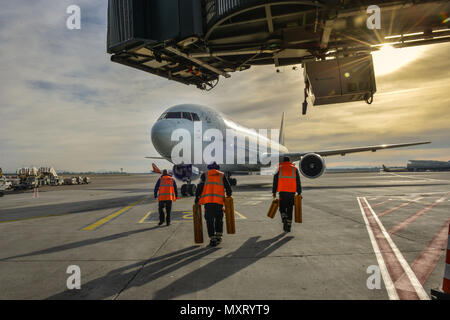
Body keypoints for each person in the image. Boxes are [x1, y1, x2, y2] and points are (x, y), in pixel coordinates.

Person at [195, 162, 232, 247]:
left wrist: (197, 198)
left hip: (208, 202)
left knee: (209, 221)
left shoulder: (205, 175)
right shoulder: (222, 175)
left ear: (209, 167)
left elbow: (199, 186)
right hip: (219, 202)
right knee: (219, 219)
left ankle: (212, 238)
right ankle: (219, 236)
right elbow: (228, 187)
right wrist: (229, 195)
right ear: (217, 168)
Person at [272, 156, 302, 232]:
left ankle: (284, 217)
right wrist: (299, 192)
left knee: (282, 207)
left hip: (282, 192)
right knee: (290, 208)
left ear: (283, 161)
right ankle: (288, 225)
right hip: (291, 192)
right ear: (289, 161)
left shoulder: (279, 168)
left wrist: (274, 192)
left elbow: (275, 182)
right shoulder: (294, 169)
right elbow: (298, 181)